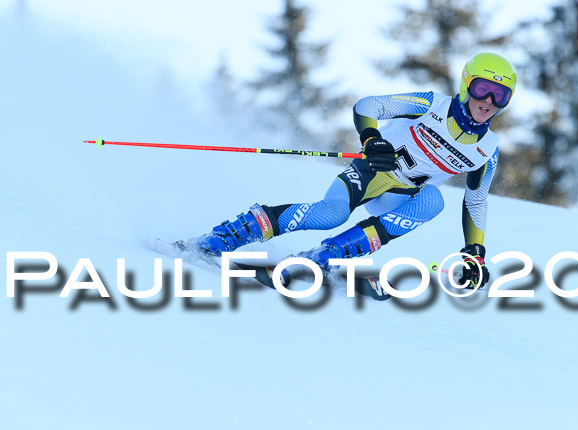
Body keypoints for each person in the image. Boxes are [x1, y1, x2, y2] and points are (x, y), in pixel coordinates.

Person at [194, 52, 516, 289]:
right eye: (482, 88)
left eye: (500, 95)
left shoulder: (487, 150)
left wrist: (475, 252)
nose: (488, 100)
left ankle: (327, 255)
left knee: (434, 199)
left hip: (400, 196)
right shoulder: (431, 104)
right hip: (372, 171)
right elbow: (368, 106)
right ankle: (232, 233)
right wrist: (372, 138)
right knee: (331, 214)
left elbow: (475, 202)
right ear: (465, 85)